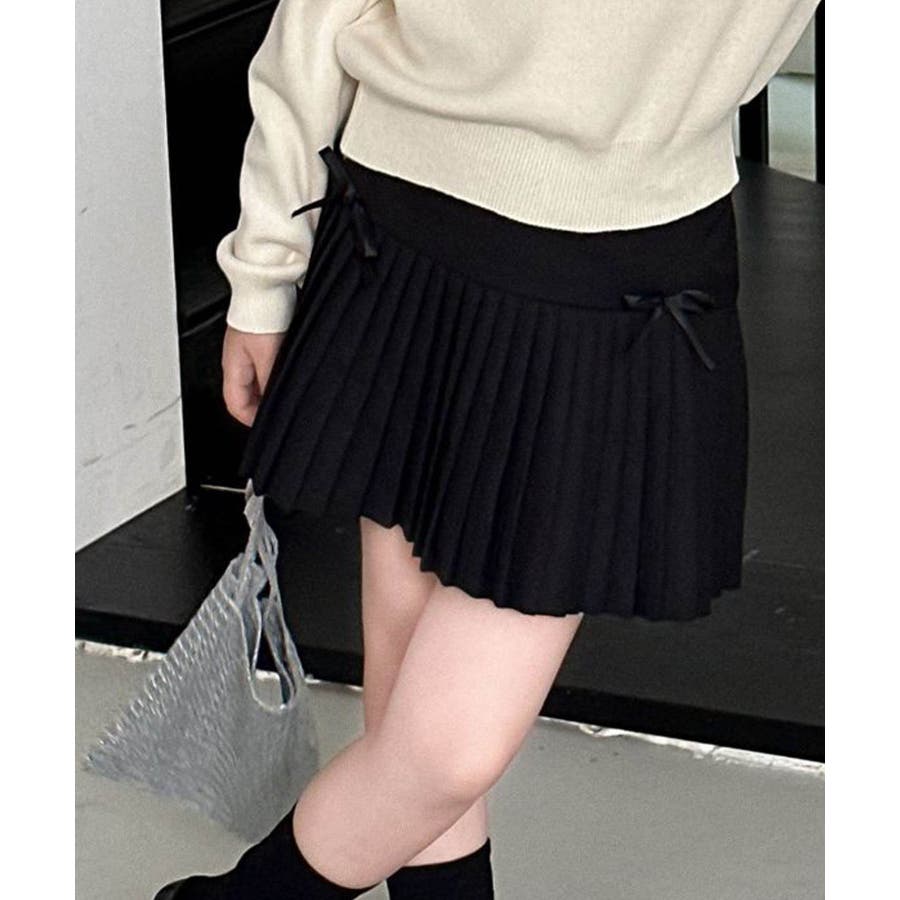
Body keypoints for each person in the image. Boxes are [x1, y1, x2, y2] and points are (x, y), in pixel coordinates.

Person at [154, 1, 821, 897]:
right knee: (412, 709)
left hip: (619, 268)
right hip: (402, 225)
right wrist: (266, 265)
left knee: (446, 750)